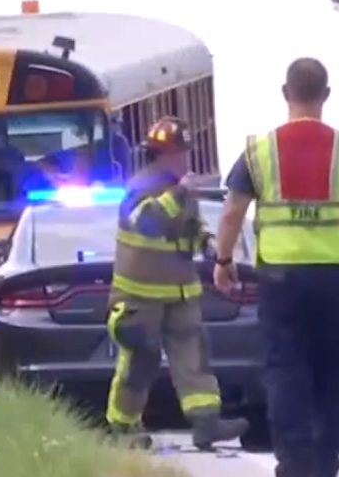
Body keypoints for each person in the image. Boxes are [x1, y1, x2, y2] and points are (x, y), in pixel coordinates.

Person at [214, 58, 339, 477]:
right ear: (326, 95)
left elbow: (233, 210)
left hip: (279, 277)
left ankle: (291, 476)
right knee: (332, 372)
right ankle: (326, 470)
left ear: (285, 93)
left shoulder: (259, 151)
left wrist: (223, 260)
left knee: (285, 372)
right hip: (334, 276)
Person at [104, 115, 249, 451]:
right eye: (179, 152)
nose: (185, 159)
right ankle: (123, 428)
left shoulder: (182, 190)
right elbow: (148, 222)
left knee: (194, 356)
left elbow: (189, 230)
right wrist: (180, 192)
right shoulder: (141, 187)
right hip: (140, 296)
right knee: (140, 361)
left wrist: (214, 252)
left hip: (181, 293)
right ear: (162, 154)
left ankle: (207, 423)